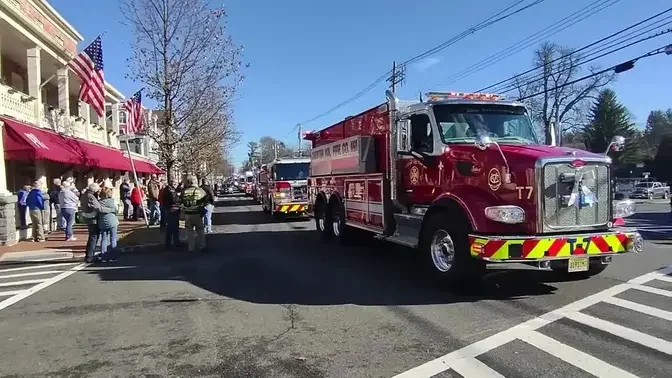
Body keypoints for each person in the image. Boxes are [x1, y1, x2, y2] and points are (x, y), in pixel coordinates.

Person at [180, 176, 208, 253]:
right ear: (195, 182)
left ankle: (191, 247)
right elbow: (206, 200)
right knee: (200, 230)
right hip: (197, 214)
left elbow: (181, 201)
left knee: (189, 231)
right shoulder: (200, 190)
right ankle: (202, 245)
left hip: (188, 214)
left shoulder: (184, 191)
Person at [80, 183, 102, 263]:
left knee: (91, 236)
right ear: (94, 190)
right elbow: (98, 207)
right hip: (93, 218)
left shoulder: (84, 195)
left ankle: (88, 254)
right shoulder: (90, 196)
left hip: (88, 217)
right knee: (94, 237)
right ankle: (90, 256)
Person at [98, 187, 119, 262]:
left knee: (103, 239)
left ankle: (103, 255)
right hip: (112, 221)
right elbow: (117, 210)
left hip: (103, 221)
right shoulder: (113, 201)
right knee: (113, 239)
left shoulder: (99, 202)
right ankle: (113, 256)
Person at [161, 178, 181, 248]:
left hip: (170, 209)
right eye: (175, 183)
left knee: (170, 227)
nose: (176, 184)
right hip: (172, 209)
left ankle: (168, 243)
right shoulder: (170, 190)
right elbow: (174, 199)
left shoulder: (168, 189)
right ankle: (176, 243)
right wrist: (179, 197)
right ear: (172, 183)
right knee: (174, 227)